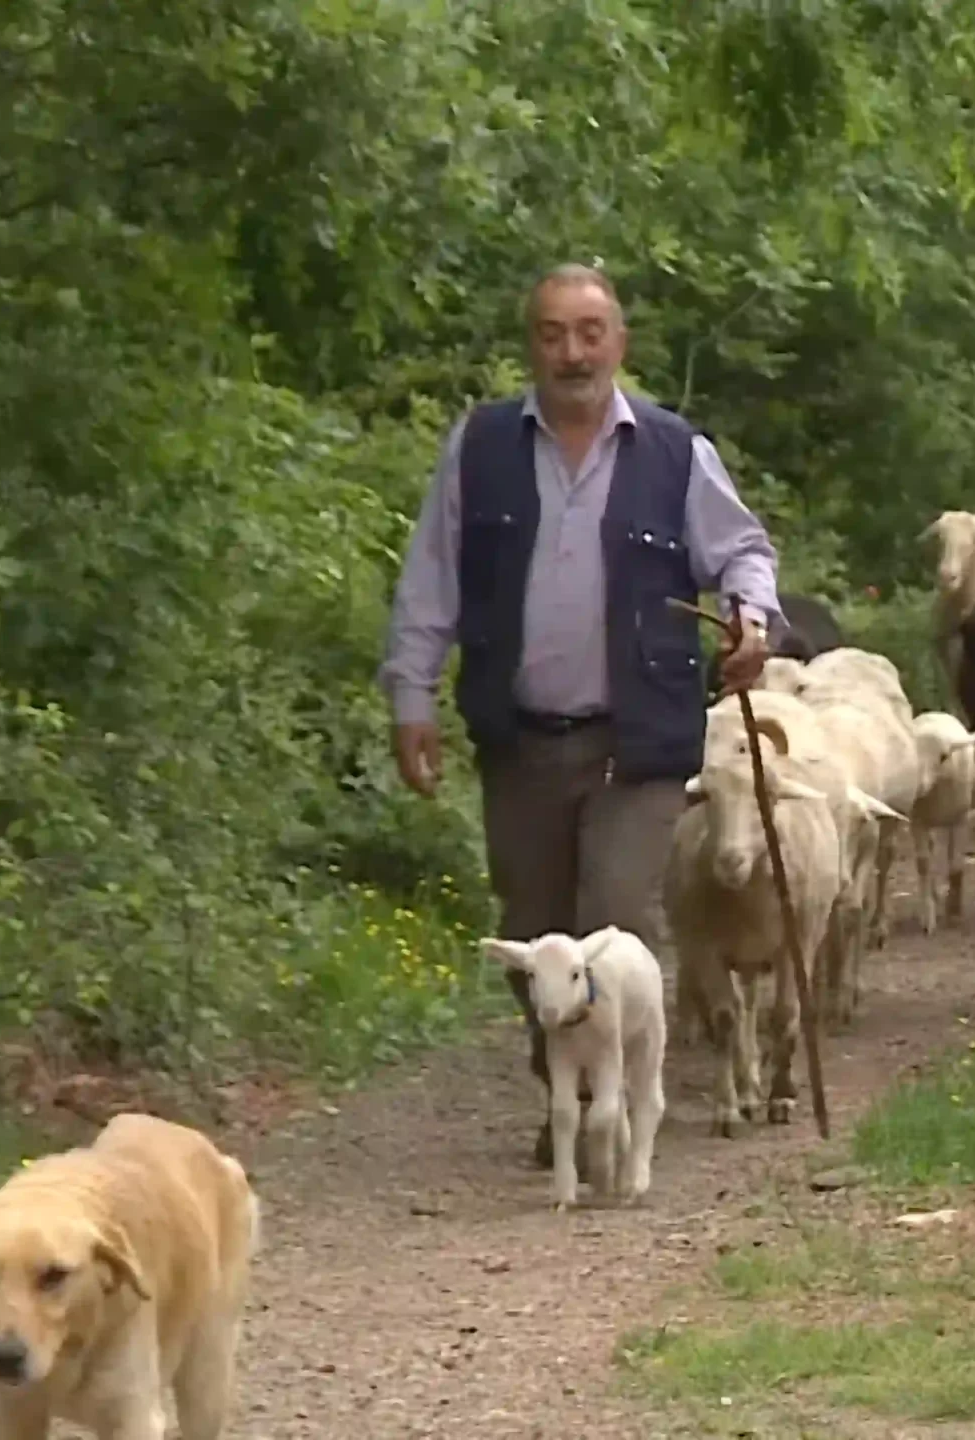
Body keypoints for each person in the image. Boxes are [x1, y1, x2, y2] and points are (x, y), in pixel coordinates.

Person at [379, 262, 785, 1168]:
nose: (572, 353)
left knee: (611, 917)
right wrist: (413, 695)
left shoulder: (675, 452)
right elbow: (431, 579)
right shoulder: (481, 448)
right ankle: (560, 1089)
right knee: (535, 930)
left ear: (619, 343)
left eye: (589, 332)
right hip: (521, 736)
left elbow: (742, 551)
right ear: (532, 344)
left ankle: (614, 1112)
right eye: (553, 334)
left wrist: (751, 617)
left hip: (636, 739)